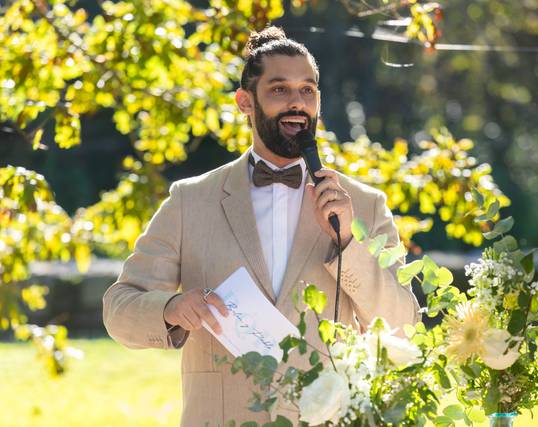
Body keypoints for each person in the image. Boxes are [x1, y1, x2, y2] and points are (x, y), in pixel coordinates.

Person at [103, 26, 419, 426]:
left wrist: (346, 244)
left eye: (307, 90)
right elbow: (119, 310)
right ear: (244, 102)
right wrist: (171, 307)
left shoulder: (367, 206)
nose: (297, 103)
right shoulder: (190, 200)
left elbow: (404, 329)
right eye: (279, 90)